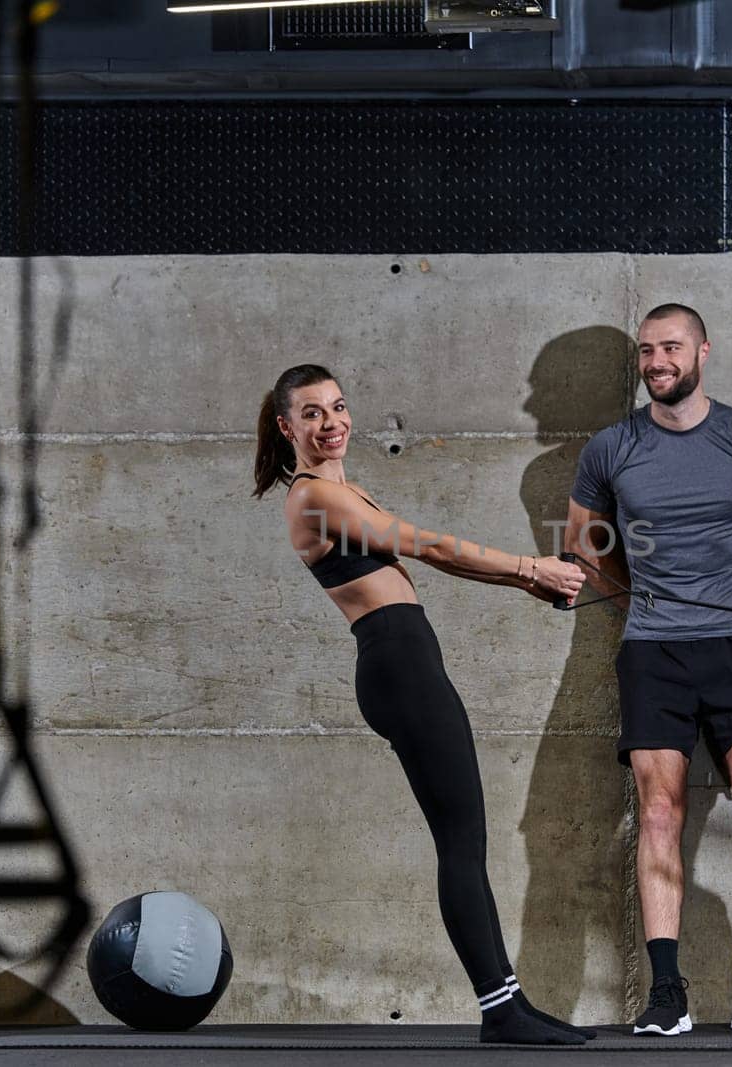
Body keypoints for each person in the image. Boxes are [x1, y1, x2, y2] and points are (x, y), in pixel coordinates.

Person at [253, 363, 592, 1045]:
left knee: (466, 839)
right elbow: (432, 547)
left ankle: (510, 1003)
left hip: (405, 661)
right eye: (312, 413)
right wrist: (533, 568)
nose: (332, 422)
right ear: (286, 427)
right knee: (461, 842)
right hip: (399, 665)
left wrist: (527, 583)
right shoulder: (315, 497)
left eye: (339, 406)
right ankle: (501, 1009)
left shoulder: (345, 489)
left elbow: (441, 557)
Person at [564, 304, 732, 1034]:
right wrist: (634, 594)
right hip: (654, 650)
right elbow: (581, 540)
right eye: (647, 351)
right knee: (656, 811)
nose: (656, 361)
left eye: (670, 347)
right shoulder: (611, 447)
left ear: (703, 350)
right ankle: (667, 988)